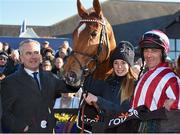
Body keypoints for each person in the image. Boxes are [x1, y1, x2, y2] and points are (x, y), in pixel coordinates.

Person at [1, 39, 77, 133]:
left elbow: (71, 87)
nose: (33, 57)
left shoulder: (50, 77)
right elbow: (4, 112)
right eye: (28, 53)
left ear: (40, 56)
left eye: (36, 52)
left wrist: (78, 69)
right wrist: (22, 127)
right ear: (21, 58)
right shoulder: (9, 82)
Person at [131, 30, 180, 132]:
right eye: (146, 50)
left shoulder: (170, 77)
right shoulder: (146, 74)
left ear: (163, 53)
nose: (148, 55)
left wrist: (175, 104)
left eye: (154, 51)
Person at [83, 41, 137, 115]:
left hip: (125, 126)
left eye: (123, 63)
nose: (119, 66)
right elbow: (88, 85)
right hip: (104, 125)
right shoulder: (107, 81)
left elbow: (124, 112)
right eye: (116, 63)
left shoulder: (135, 85)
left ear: (129, 65)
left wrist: (98, 100)